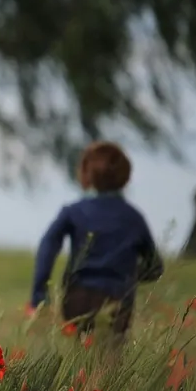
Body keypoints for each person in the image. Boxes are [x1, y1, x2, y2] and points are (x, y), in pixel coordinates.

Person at [29, 141, 164, 336]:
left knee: (79, 357)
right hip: (118, 299)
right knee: (110, 359)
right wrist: (127, 276)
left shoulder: (73, 212)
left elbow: (47, 248)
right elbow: (155, 267)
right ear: (125, 177)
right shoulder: (134, 218)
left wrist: (39, 296)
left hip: (77, 298)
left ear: (85, 174)